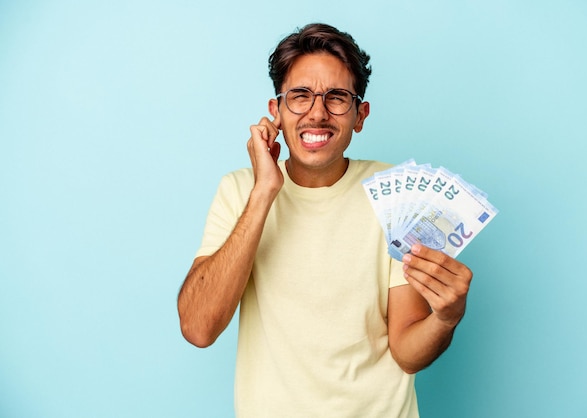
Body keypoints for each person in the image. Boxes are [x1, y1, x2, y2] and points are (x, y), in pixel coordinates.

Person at [177, 23, 473, 418]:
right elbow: (198, 328)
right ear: (275, 111)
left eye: (336, 97)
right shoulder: (239, 190)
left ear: (360, 115)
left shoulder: (400, 196)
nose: (317, 113)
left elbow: (407, 352)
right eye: (300, 96)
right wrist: (264, 191)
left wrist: (446, 318)